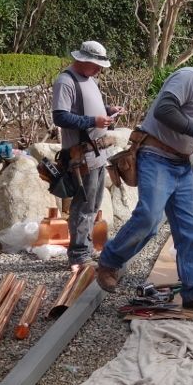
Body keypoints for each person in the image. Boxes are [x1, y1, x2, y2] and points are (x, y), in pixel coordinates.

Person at [94, 57, 193, 313]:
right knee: (149, 218)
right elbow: (164, 109)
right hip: (155, 157)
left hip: (181, 163)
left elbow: (187, 129)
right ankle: (109, 262)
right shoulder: (189, 77)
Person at [51, 40, 121, 267]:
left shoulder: (89, 79)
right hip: (82, 155)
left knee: (93, 203)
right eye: (96, 64)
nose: (100, 69)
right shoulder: (66, 81)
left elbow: (87, 108)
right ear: (82, 60)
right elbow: (60, 117)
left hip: (97, 153)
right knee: (83, 205)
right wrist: (94, 120)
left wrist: (108, 111)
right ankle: (79, 255)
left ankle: (86, 249)